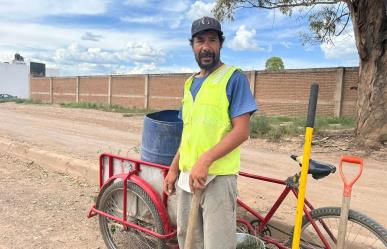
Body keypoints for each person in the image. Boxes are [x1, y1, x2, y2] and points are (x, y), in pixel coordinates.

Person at [163, 16, 257, 249]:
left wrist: (205, 159)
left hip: (218, 179)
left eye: (212, 40)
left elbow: (241, 131)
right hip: (187, 178)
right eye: (200, 41)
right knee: (188, 241)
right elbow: (188, 133)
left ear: (220, 44)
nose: (206, 46)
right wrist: (174, 168)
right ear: (192, 46)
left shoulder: (233, 78)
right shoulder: (189, 84)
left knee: (218, 244)